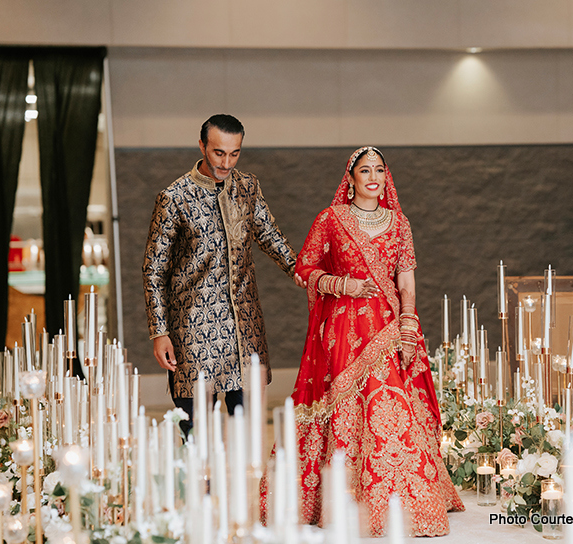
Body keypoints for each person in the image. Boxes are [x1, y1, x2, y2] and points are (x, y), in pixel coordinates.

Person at [284, 147, 464, 536]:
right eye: (364, 170)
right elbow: (304, 268)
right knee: (350, 408)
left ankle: (404, 503)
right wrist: (342, 284)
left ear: (386, 177)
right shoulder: (330, 219)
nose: (372, 177)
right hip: (343, 331)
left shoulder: (399, 223)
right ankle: (346, 503)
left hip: (387, 325)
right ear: (349, 179)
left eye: (379, 170)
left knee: (391, 403)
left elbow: (406, 280)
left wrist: (409, 323)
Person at [143, 114, 302, 433]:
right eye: (219, 152)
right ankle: (200, 485)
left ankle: (242, 485)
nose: (226, 162)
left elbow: (270, 236)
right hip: (193, 329)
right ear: (202, 145)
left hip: (245, 329)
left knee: (248, 432)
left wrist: (304, 272)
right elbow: (154, 268)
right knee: (196, 434)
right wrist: (159, 331)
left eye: (235, 153)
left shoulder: (247, 187)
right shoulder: (175, 197)